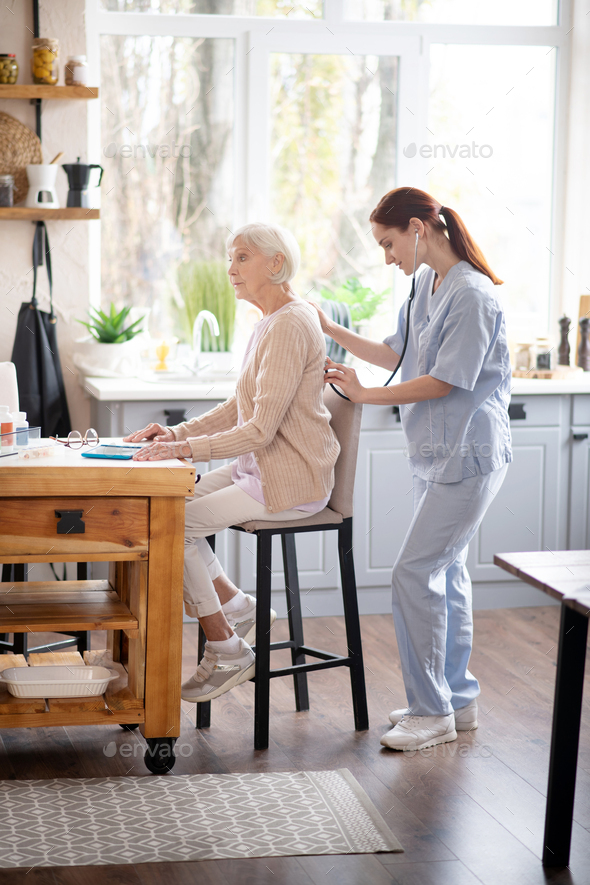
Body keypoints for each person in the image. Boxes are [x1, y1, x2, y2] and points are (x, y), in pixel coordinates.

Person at [318, 187, 512, 752]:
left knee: (411, 572)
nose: (386, 257)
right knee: (445, 574)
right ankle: (457, 698)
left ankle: (432, 712)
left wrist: (363, 396)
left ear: (417, 230)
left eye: (388, 243)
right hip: (435, 454)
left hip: (470, 455)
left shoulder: (473, 296)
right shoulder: (424, 286)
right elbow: (394, 354)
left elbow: (445, 381)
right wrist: (329, 329)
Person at [124, 222, 339, 703]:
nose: (230, 269)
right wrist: (176, 433)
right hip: (259, 470)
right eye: (230, 258)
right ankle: (236, 604)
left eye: (242, 258)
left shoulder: (288, 324)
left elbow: (259, 430)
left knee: (172, 526)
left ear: (275, 263)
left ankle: (227, 650)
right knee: (166, 509)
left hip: (290, 481)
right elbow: (238, 407)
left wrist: (183, 450)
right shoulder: (271, 321)